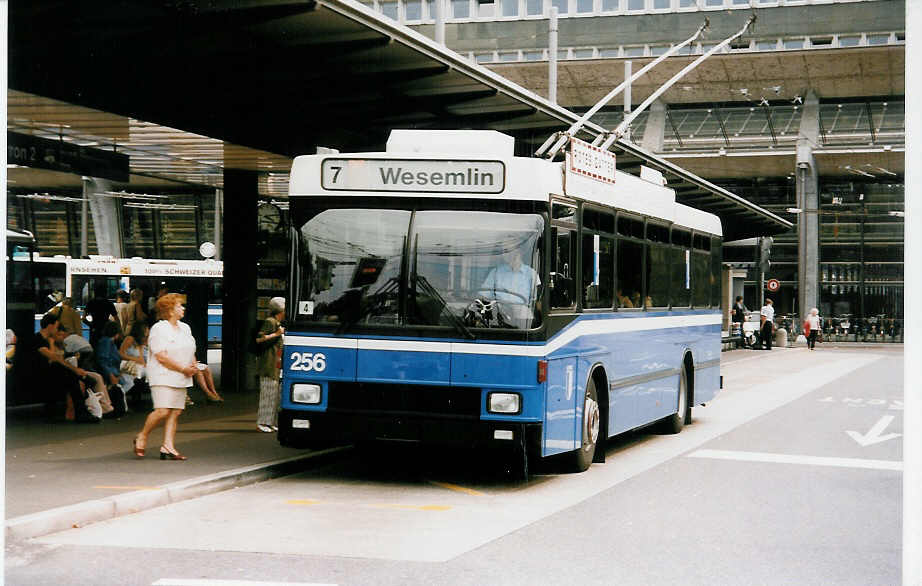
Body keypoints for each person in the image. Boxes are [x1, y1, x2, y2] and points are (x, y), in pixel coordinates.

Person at [134, 293, 198, 460]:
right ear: (169, 310)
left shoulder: (185, 328)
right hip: (162, 375)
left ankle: (168, 446)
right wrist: (183, 368)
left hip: (182, 375)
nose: (183, 308)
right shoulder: (159, 328)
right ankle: (142, 435)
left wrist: (193, 364)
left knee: (175, 411)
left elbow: (190, 349)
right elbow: (161, 356)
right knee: (162, 410)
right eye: (179, 305)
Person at [15, 313, 99, 423]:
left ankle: (80, 410)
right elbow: (52, 357)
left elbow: (55, 358)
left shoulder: (46, 340)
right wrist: (75, 370)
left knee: (68, 374)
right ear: (50, 326)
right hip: (36, 374)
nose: (57, 330)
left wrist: (51, 342)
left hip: (46, 373)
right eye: (56, 326)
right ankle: (81, 411)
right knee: (69, 374)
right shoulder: (37, 339)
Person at [256, 297, 285, 432]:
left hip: (275, 364)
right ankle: (262, 423)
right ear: (280, 310)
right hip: (268, 364)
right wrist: (276, 334)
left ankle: (270, 422)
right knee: (268, 394)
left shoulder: (277, 322)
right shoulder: (270, 322)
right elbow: (259, 339)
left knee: (274, 395)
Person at [84, 284, 118, 348]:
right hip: (106, 330)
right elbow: (116, 319)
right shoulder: (109, 303)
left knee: (94, 348)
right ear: (105, 293)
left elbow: (83, 318)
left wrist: (91, 325)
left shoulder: (90, 302)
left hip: (94, 330)